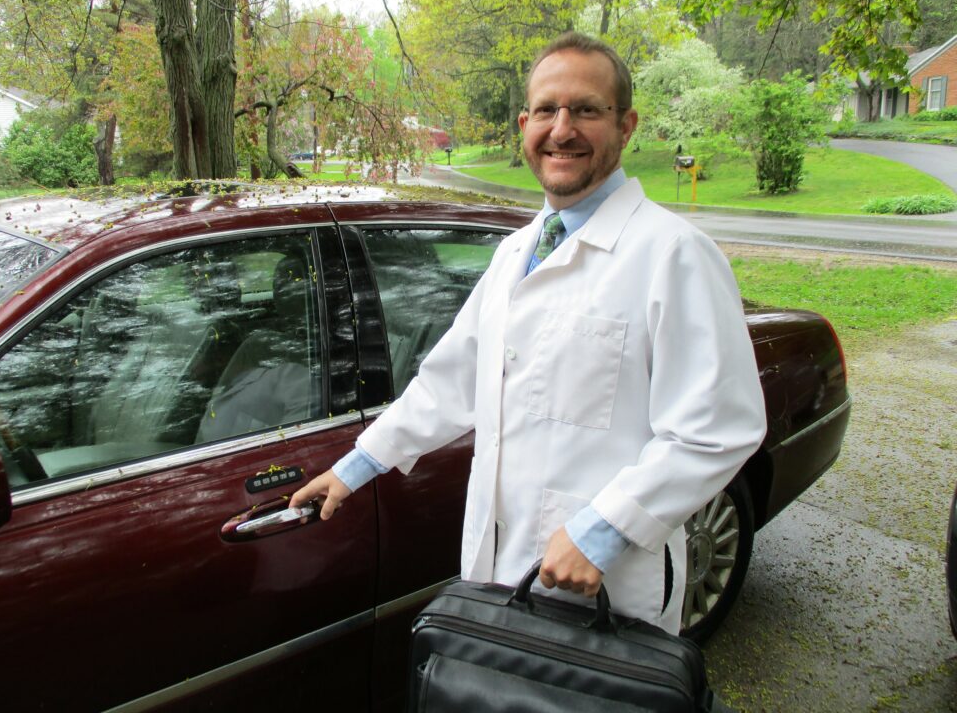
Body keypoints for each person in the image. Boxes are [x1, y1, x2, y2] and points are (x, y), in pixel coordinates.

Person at [290, 32, 767, 634]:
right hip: (496, 573)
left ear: (626, 125)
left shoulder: (674, 255)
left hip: (605, 591)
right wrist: (357, 466)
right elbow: (452, 380)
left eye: (586, 109)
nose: (562, 130)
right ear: (525, 125)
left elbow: (719, 427)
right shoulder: (515, 252)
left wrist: (606, 529)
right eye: (546, 110)